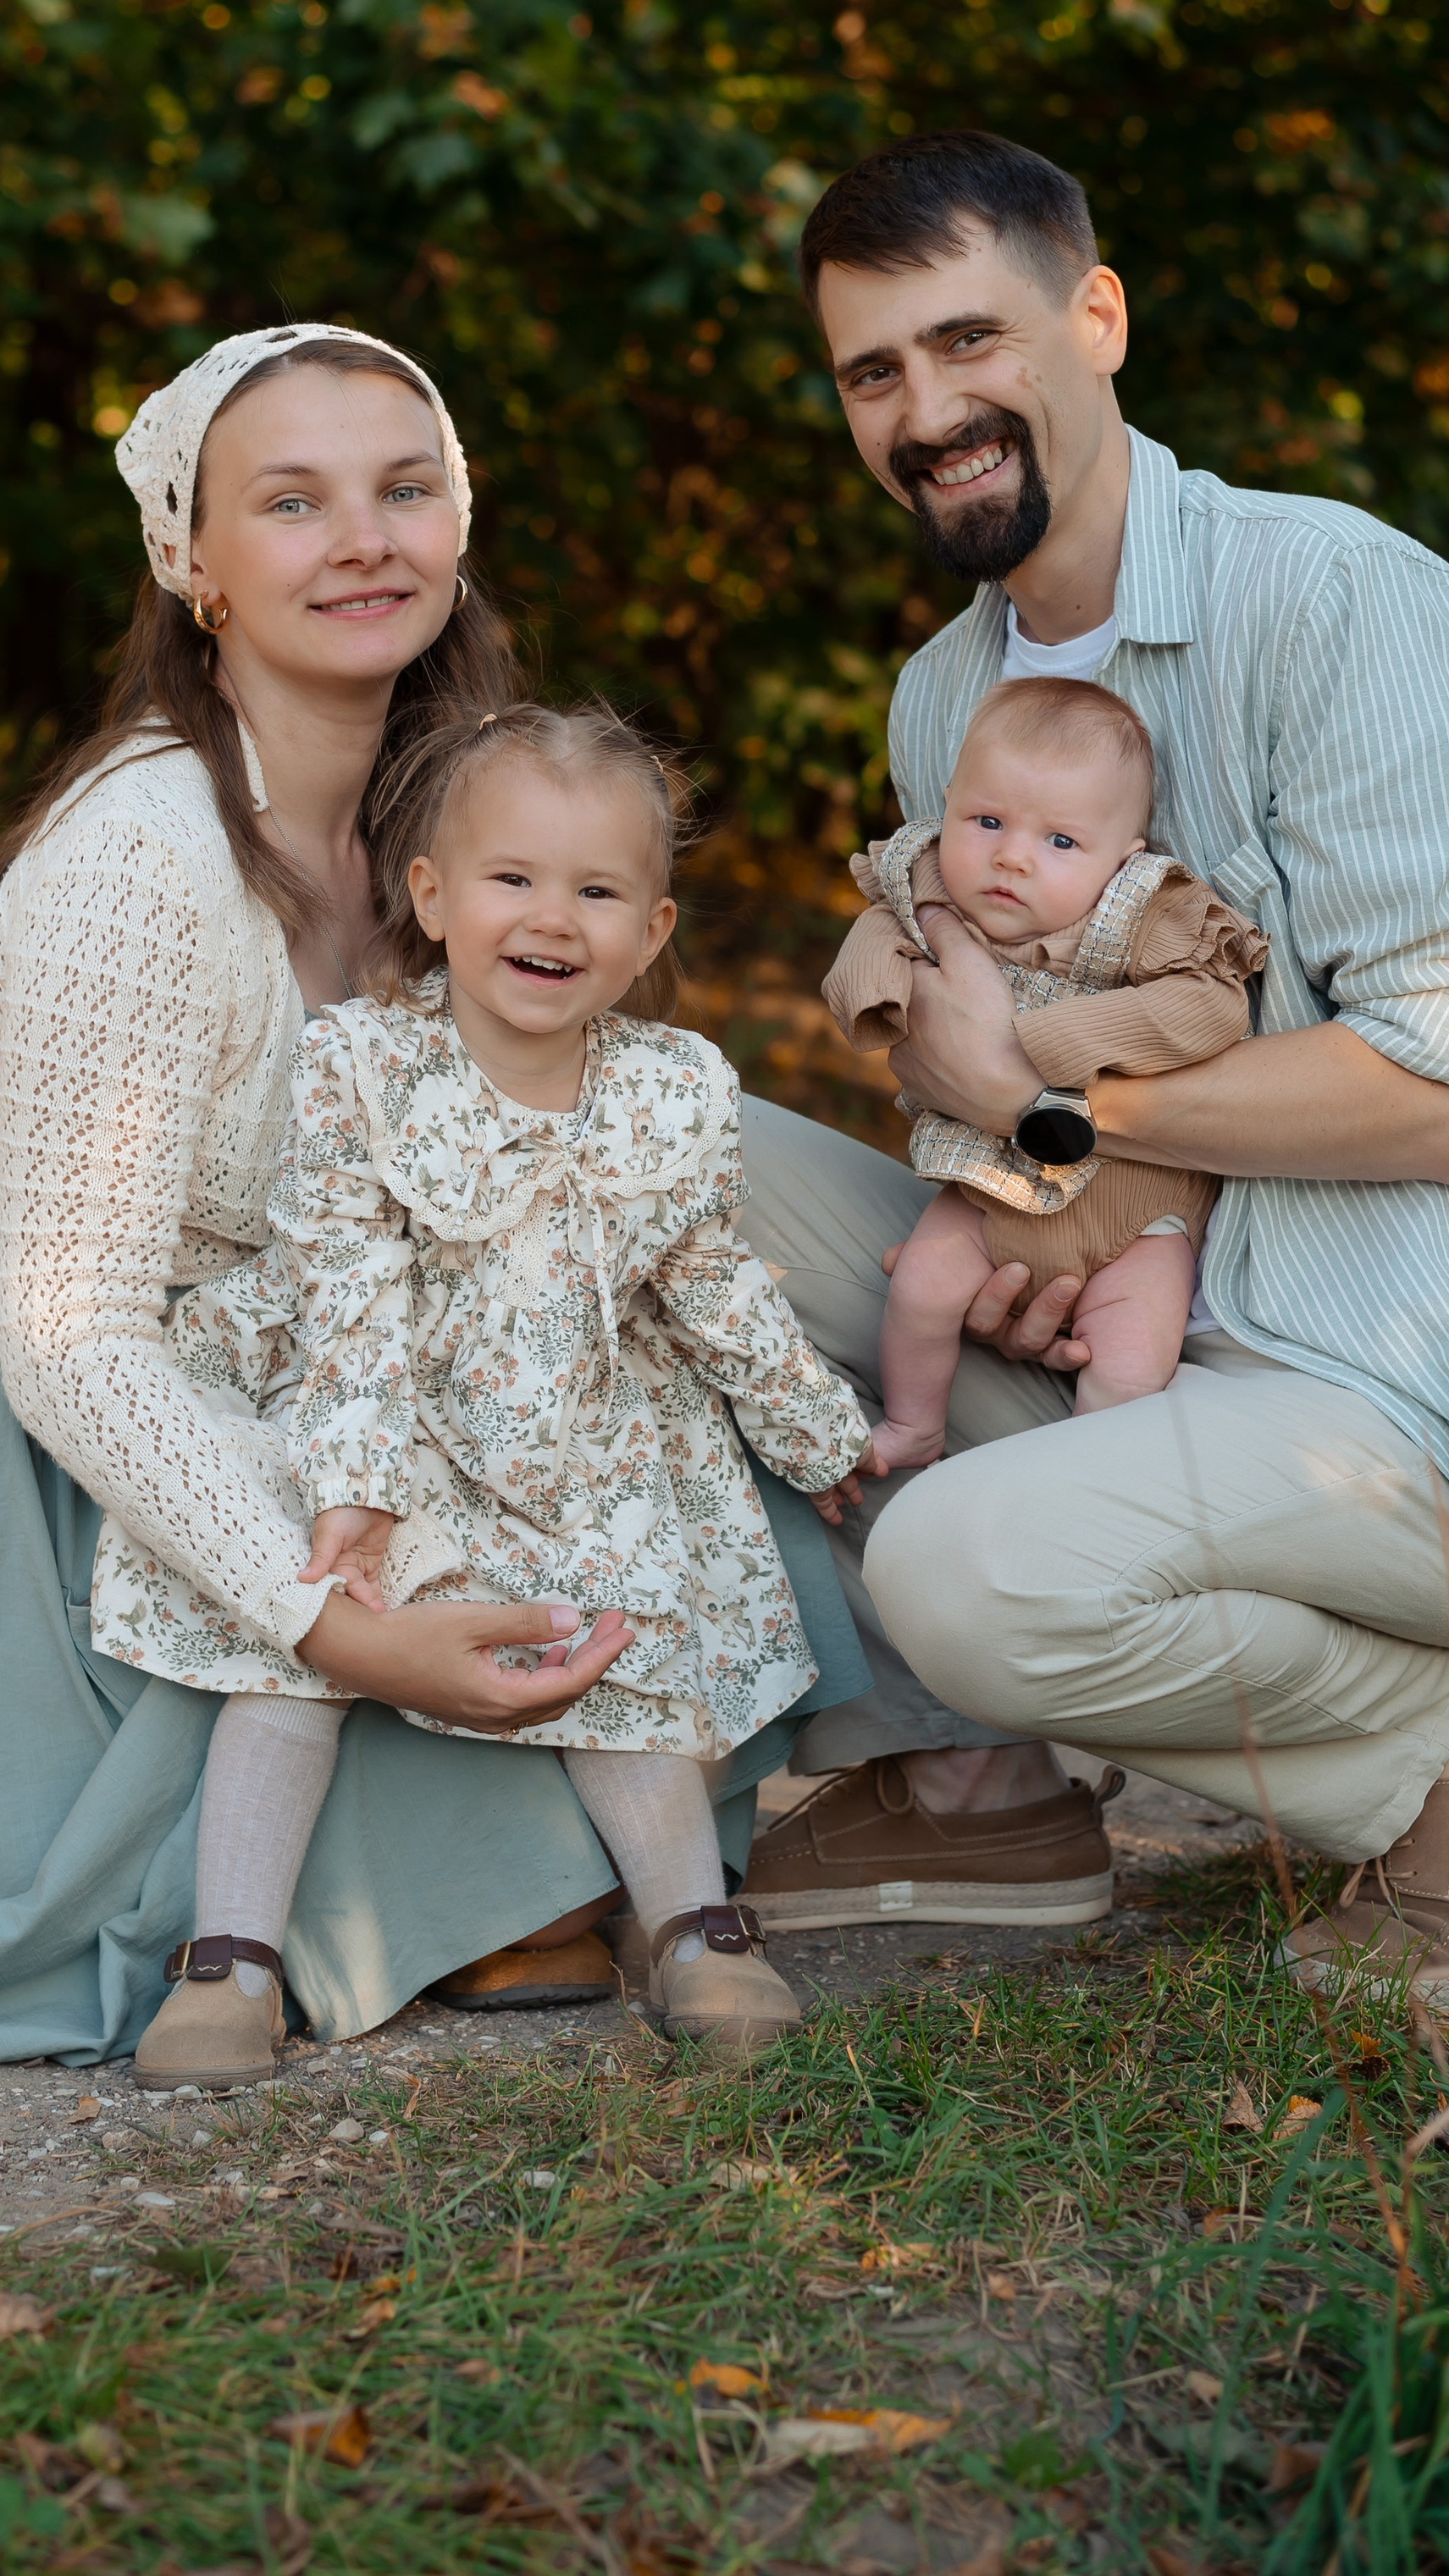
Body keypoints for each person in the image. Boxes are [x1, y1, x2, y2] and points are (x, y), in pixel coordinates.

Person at [0, 323, 867, 2067]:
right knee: (419, 1671)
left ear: (458, 520)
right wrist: (340, 1620)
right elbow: (70, 1346)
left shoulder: (458, 799)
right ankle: (389, 1875)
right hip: (56, 1412)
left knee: (675, 1449)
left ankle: (893, 1745)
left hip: (333, 1353)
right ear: (194, 565)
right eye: (290, 502)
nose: (362, 537)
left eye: (402, 487)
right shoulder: (135, 868)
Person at [735, 130, 1449, 2008]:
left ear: (1097, 319)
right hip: (1141, 1337)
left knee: (964, 1570)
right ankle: (992, 1788)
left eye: (967, 341)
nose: (926, 410)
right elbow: (969, 1063)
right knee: (650, 1148)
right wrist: (1013, 1205)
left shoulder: (1336, 601)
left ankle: (1445, 1755)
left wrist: (1047, 1114)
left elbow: (1446, 1099)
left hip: (1413, 1412)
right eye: (872, 371)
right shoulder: (948, 699)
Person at [118, 703, 868, 2085]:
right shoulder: (365, 1061)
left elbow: (712, 1278)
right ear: (435, 897)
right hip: (381, 1406)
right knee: (306, 1632)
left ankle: (691, 1924)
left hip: (578, 1427)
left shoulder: (674, 1088)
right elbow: (342, 1274)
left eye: (596, 890)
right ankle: (230, 1955)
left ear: (650, 930)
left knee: (624, 1628)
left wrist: (815, 1427)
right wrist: (355, 1480)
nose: (551, 917)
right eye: (514, 878)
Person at [824, 677, 1265, 1473]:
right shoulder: (928, 892)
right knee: (922, 1286)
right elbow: (869, 948)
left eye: (1060, 842)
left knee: (1131, 1360)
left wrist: (1059, 1040)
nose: (1011, 857)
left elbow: (1213, 1009)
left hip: (1139, 1211)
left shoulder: (1144, 913)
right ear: (949, 804)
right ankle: (914, 1425)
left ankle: (1081, 1482)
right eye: (986, 821)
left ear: (1125, 858)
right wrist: (883, 1003)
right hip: (989, 1186)